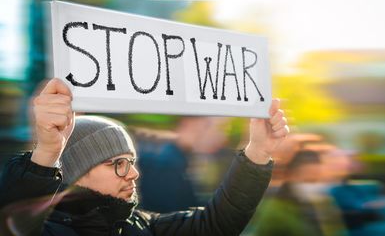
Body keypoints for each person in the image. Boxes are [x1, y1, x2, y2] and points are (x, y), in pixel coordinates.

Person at [0, 78, 289, 236]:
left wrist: (258, 152)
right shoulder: (46, 231)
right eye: (119, 164)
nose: (134, 173)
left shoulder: (142, 226)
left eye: (131, 161)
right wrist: (48, 152)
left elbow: (216, 225)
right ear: (77, 172)